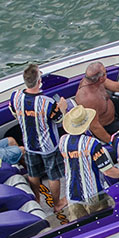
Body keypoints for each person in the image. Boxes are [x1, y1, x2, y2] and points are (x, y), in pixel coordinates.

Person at [57, 105, 119, 220]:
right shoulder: (92, 144)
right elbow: (108, 171)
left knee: (80, 228)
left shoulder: (63, 141)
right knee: (101, 222)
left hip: (72, 195)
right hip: (94, 195)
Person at [9, 62, 69, 205]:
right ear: (39, 81)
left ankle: (37, 198)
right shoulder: (47, 103)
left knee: (33, 173)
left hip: (29, 144)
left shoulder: (15, 97)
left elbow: (14, 113)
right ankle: (57, 203)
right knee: (53, 176)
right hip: (49, 145)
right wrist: (62, 108)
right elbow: (60, 120)